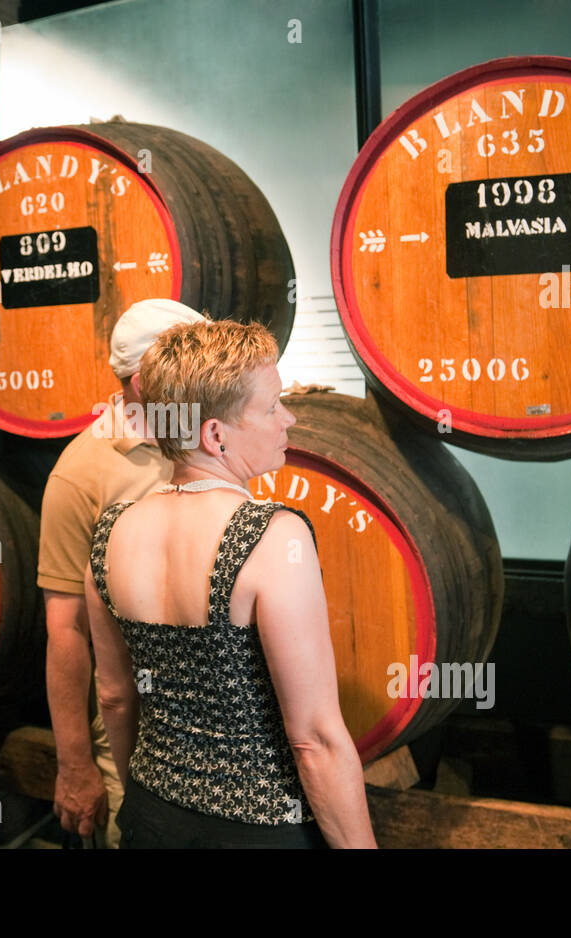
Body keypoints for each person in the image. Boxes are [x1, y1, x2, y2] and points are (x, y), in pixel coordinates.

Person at [84, 318, 378, 848]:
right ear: (214, 435)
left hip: (152, 815)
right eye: (271, 407)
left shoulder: (110, 532)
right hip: (260, 832)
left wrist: (145, 800)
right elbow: (314, 740)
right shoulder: (271, 537)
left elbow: (114, 696)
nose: (288, 419)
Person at [39, 298, 205, 847]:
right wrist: (75, 766)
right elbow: (66, 630)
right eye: (187, 363)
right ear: (142, 382)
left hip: (218, 716)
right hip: (136, 727)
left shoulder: (205, 431)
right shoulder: (80, 474)